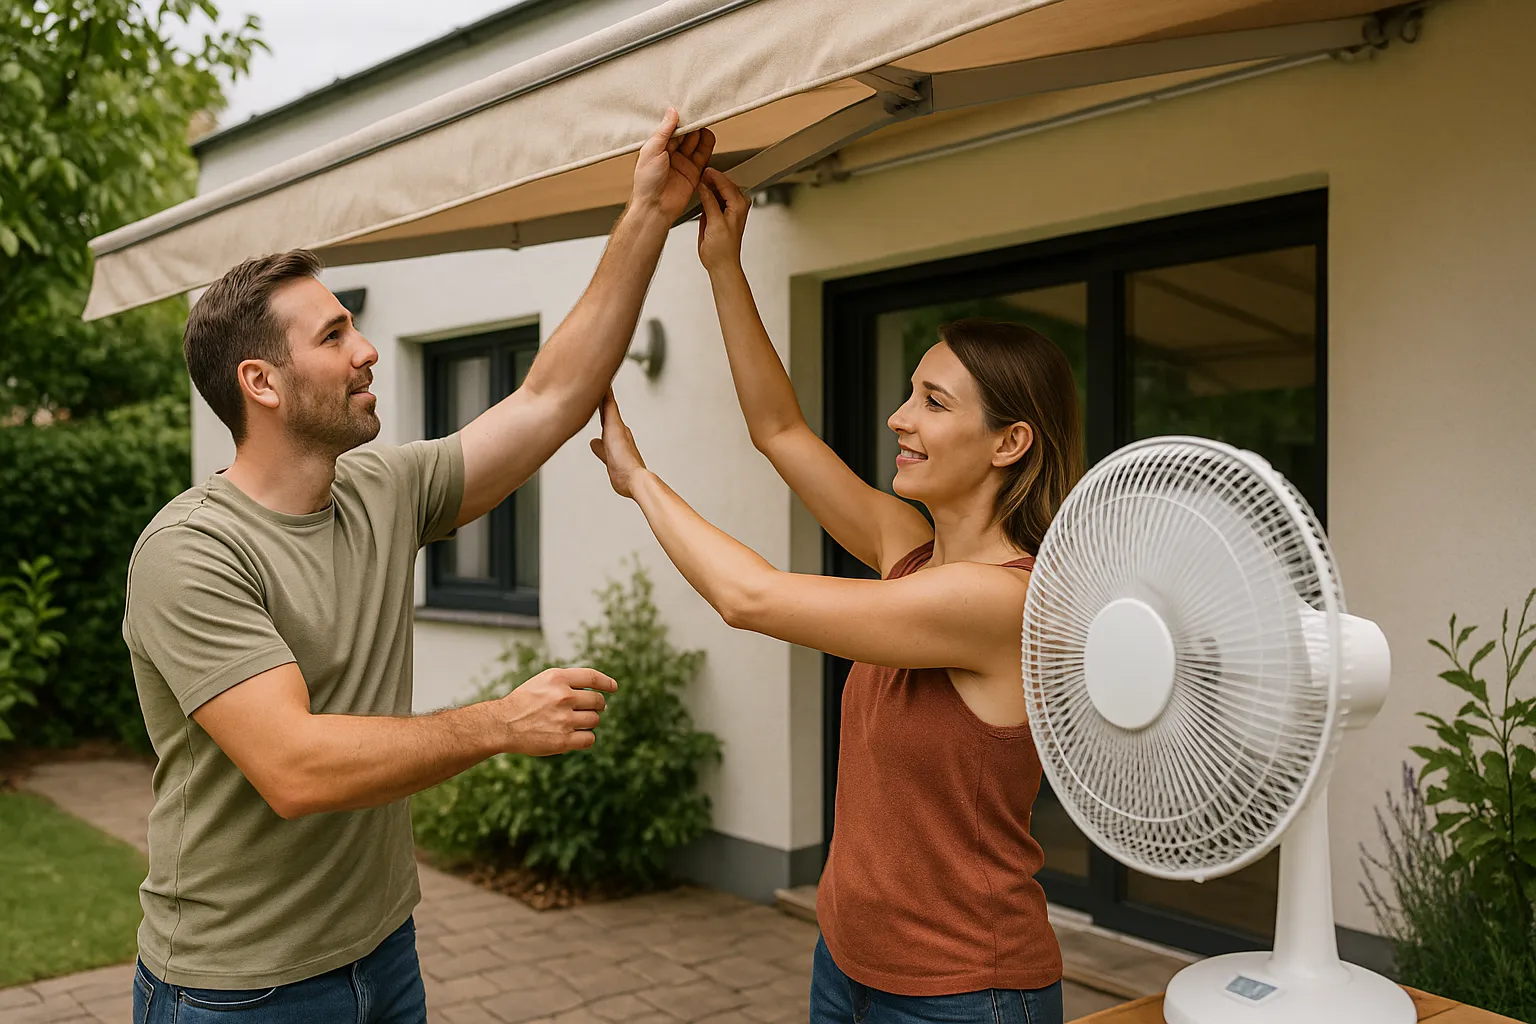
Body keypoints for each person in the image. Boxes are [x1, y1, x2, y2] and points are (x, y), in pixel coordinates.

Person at [122, 111, 714, 1024]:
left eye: (354, 326)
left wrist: (648, 213)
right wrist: (498, 723)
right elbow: (295, 768)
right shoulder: (192, 551)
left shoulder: (379, 490)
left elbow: (551, 397)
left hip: (382, 950)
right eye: (333, 336)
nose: (365, 352)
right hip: (239, 986)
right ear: (262, 383)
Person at [589, 167, 1083, 1024]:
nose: (900, 417)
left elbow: (751, 598)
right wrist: (722, 266)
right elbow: (779, 430)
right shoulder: (911, 551)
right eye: (910, 394)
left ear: (1010, 440)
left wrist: (639, 480)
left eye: (932, 402)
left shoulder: (1001, 603)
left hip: (966, 993)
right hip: (847, 965)